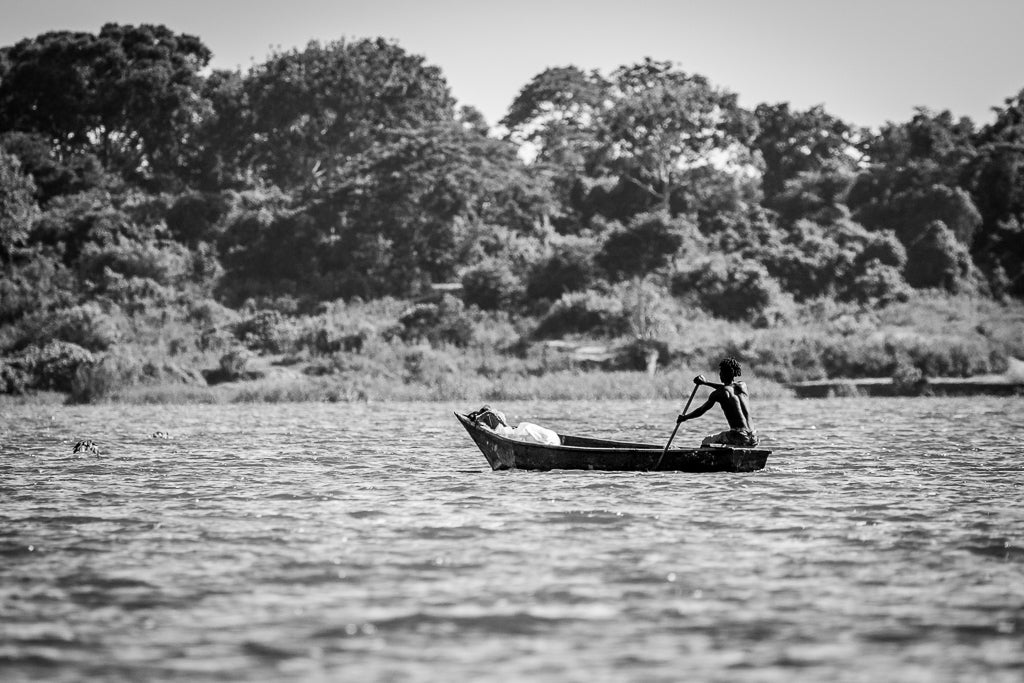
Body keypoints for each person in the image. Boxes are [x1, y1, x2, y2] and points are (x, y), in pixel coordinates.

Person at [676, 357, 759, 447]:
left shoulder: (719, 393)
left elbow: (701, 410)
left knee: (707, 441)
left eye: (721, 372)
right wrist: (705, 383)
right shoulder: (743, 386)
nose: (719, 374)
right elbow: (728, 388)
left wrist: (684, 417)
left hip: (738, 436)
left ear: (723, 373)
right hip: (754, 437)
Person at [467, 405, 561, 446]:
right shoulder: (490, 417)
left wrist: (478, 418)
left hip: (511, 431)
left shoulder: (488, 416)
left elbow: (488, 412)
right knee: (523, 431)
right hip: (511, 430)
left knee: (524, 431)